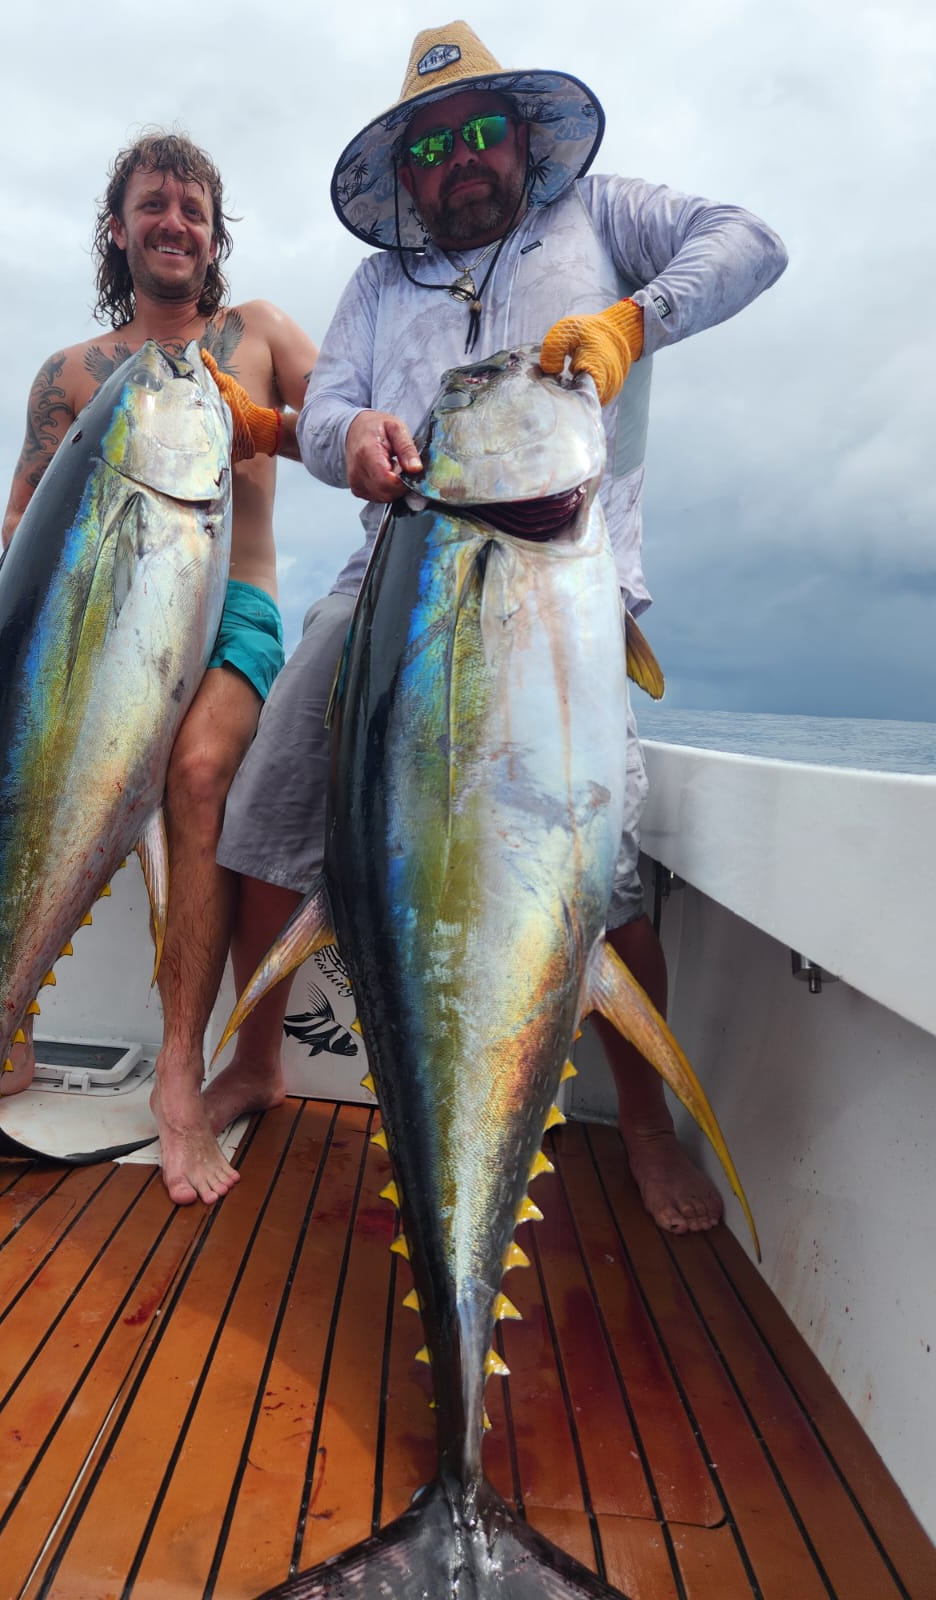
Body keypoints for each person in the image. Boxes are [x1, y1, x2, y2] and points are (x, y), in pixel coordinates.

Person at [210, 23, 787, 1236]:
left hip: (561, 588)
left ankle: (643, 1120)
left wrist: (634, 321)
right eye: (431, 148)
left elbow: (751, 241)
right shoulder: (380, 286)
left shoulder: (604, 218)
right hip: (392, 578)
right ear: (406, 176)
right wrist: (351, 441)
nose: (461, 159)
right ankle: (257, 1058)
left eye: (480, 132)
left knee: (603, 868)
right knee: (268, 801)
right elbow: (332, 408)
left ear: (524, 136)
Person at [0, 130, 318, 1208]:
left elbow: (346, 428)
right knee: (29, 772)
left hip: (233, 610)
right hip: (98, 626)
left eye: (194, 209)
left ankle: (179, 1074)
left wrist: (272, 425)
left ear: (215, 236)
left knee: (199, 772)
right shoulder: (71, 374)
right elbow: (18, 525)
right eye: (153, 204)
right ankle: (2, 1043)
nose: (175, 222)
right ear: (118, 229)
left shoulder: (259, 333)